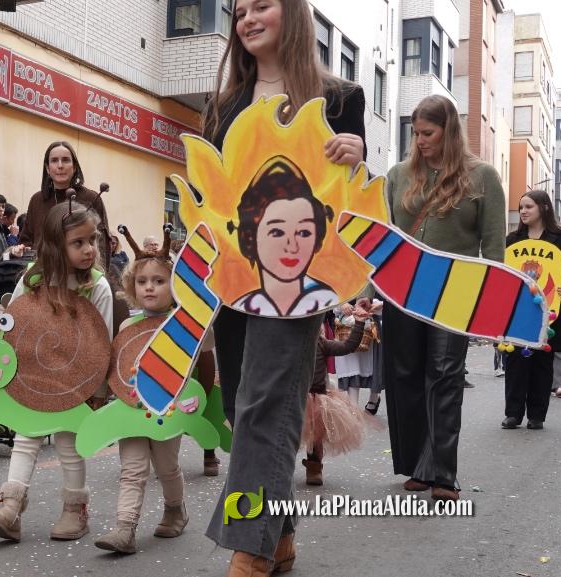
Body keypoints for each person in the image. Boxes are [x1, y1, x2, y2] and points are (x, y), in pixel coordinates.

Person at [201, 1, 368, 574]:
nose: (247, 18)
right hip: (232, 275)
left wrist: (357, 155)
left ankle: (250, 548)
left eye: (262, 5)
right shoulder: (223, 104)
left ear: (292, 12)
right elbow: (211, 193)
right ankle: (281, 536)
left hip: (300, 281)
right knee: (243, 404)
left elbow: (352, 194)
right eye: (239, 10)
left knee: (266, 404)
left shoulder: (340, 98)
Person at [383, 94, 505, 503]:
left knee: (445, 375)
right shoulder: (398, 175)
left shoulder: (483, 176)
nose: (420, 141)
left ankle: (442, 473)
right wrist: (367, 293)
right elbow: (385, 237)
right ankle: (418, 465)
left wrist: (493, 301)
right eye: (416, 133)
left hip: (457, 289)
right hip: (403, 289)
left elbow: (494, 245)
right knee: (405, 376)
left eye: (428, 133)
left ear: (449, 131)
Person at [0, 199, 113, 543]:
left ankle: (75, 510)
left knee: (68, 442)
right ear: (54, 245)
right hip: (35, 375)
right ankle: (11, 506)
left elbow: (103, 343)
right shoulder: (33, 279)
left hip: (75, 381)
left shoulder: (96, 286)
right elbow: (13, 323)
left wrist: (97, 392)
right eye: (78, 242)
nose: (89, 249)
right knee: (26, 436)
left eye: (92, 240)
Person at [92, 244, 190, 555]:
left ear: (175, 286)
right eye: (142, 281)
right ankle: (125, 527)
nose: (149, 287)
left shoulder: (181, 325)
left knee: (166, 467)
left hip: (167, 410)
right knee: (132, 468)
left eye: (159, 281)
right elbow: (117, 366)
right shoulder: (127, 326)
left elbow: (204, 349)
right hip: (131, 407)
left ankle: (175, 510)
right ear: (132, 286)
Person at [502, 190, 561, 428]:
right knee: (515, 361)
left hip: (550, 311)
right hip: (518, 310)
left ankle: (537, 415)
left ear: (544, 208)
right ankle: (513, 413)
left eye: (528, 207)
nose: (523, 211)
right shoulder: (512, 240)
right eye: (521, 207)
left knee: (543, 362)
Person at [232, 157, 338, 315]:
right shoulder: (238, 304)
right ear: (250, 237)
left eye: (303, 233)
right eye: (277, 232)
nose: (292, 246)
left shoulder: (327, 300)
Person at [301, 304, 377, 486]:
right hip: (295, 396)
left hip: (317, 397)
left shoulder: (322, 343)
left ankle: (314, 466)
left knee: (315, 436)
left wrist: (359, 323)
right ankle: (282, 465)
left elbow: (348, 346)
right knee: (288, 433)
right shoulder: (293, 345)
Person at [19, 142, 111, 269]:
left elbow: (102, 244)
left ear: (74, 167)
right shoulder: (37, 200)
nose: (60, 165)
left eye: (66, 160)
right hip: (44, 273)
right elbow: (26, 240)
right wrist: (21, 249)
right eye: (54, 161)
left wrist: (97, 275)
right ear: (47, 168)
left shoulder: (91, 198)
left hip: (82, 274)